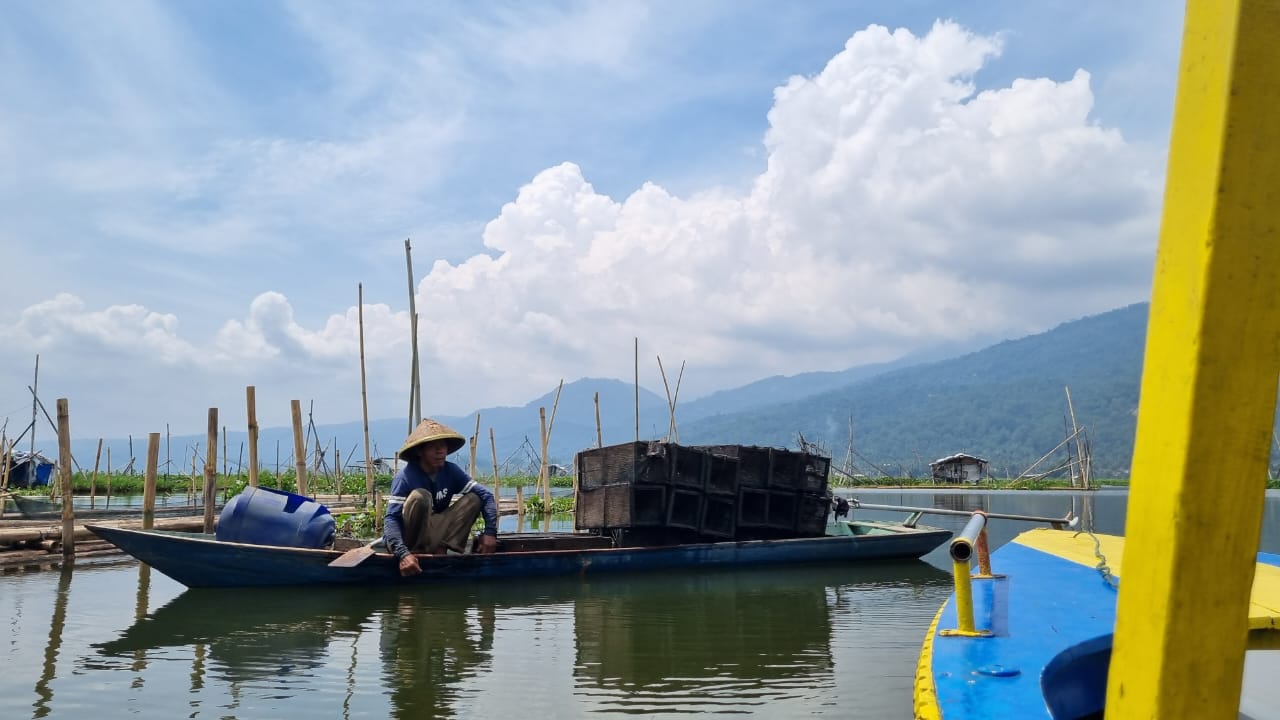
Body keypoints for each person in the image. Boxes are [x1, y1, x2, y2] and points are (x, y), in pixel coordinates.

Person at [383, 418, 500, 576]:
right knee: (420, 496)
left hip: (433, 531)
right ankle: (415, 552)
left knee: (475, 499)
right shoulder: (405, 477)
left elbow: (486, 495)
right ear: (420, 452)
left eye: (443, 446)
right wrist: (403, 553)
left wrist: (490, 533)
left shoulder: (451, 471)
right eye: (433, 447)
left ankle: (441, 548)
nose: (440, 451)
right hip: (408, 539)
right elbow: (391, 518)